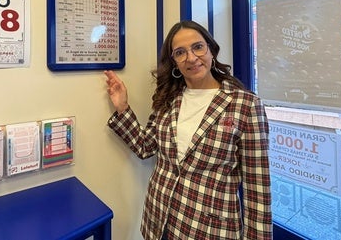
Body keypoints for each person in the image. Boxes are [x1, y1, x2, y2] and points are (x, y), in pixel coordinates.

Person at [104, 20, 272, 240]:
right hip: (159, 221)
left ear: (211, 49)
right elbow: (145, 147)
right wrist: (123, 106)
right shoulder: (169, 99)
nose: (191, 58)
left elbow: (257, 189)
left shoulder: (246, 105)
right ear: (174, 62)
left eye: (198, 47)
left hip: (208, 230)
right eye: (180, 52)